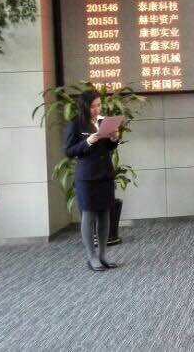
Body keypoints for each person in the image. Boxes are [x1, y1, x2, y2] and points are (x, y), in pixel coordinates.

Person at [64, 90, 120, 272]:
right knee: (88, 216)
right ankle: (91, 257)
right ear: (85, 106)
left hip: (105, 174)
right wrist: (87, 141)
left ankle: (103, 255)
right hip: (87, 177)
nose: (97, 109)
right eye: (93, 106)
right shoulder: (75, 123)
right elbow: (69, 151)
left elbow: (108, 147)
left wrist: (114, 138)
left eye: (99, 105)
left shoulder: (103, 121)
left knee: (105, 215)